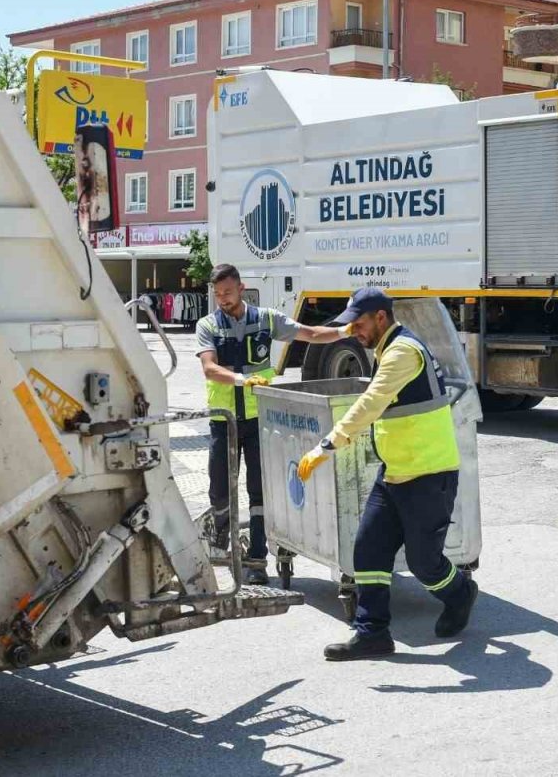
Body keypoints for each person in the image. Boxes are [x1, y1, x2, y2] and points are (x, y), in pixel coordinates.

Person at [296, 289, 476, 661]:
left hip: (428, 472)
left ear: (381, 317)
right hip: (395, 472)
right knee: (368, 550)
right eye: (351, 325)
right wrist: (334, 332)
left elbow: (371, 402)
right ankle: (372, 632)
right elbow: (337, 334)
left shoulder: (402, 353)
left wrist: (326, 446)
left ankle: (458, 592)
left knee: (425, 563)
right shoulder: (384, 343)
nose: (354, 331)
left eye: (359, 324)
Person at [196, 264, 353, 584]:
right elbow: (210, 369)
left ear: (241, 288)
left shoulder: (266, 319)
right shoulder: (208, 324)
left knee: (259, 492)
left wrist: (343, 332)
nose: (222, 299)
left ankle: (256, 562)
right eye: (217, 294)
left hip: (259, 421)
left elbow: (308, 333)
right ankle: (220, 538)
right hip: (222, 421)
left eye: (227, 292)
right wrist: (241, 379)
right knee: (220, 490)